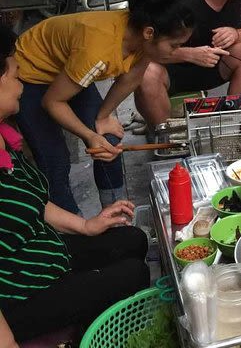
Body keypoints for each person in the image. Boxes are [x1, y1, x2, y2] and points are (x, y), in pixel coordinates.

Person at [0, 28, 149, 345]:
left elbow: (35, 203)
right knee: (132, 274)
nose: (20, 84)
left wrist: (86, 225)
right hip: (20, 294)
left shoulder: (6, 139)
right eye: (14, 75)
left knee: (132, 239)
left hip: (45, 254)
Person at [14, 0, 193, 213]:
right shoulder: (99, 51)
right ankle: (74, 231)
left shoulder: (143, 37)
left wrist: (103, 117)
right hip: (31, 72)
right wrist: (89, 134)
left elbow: (131, 78)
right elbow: (52, 102)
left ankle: (116, 214)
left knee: (108, 139)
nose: (177, 51)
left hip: (69, 68)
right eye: (175, 45)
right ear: (149, 33)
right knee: (55, 160)